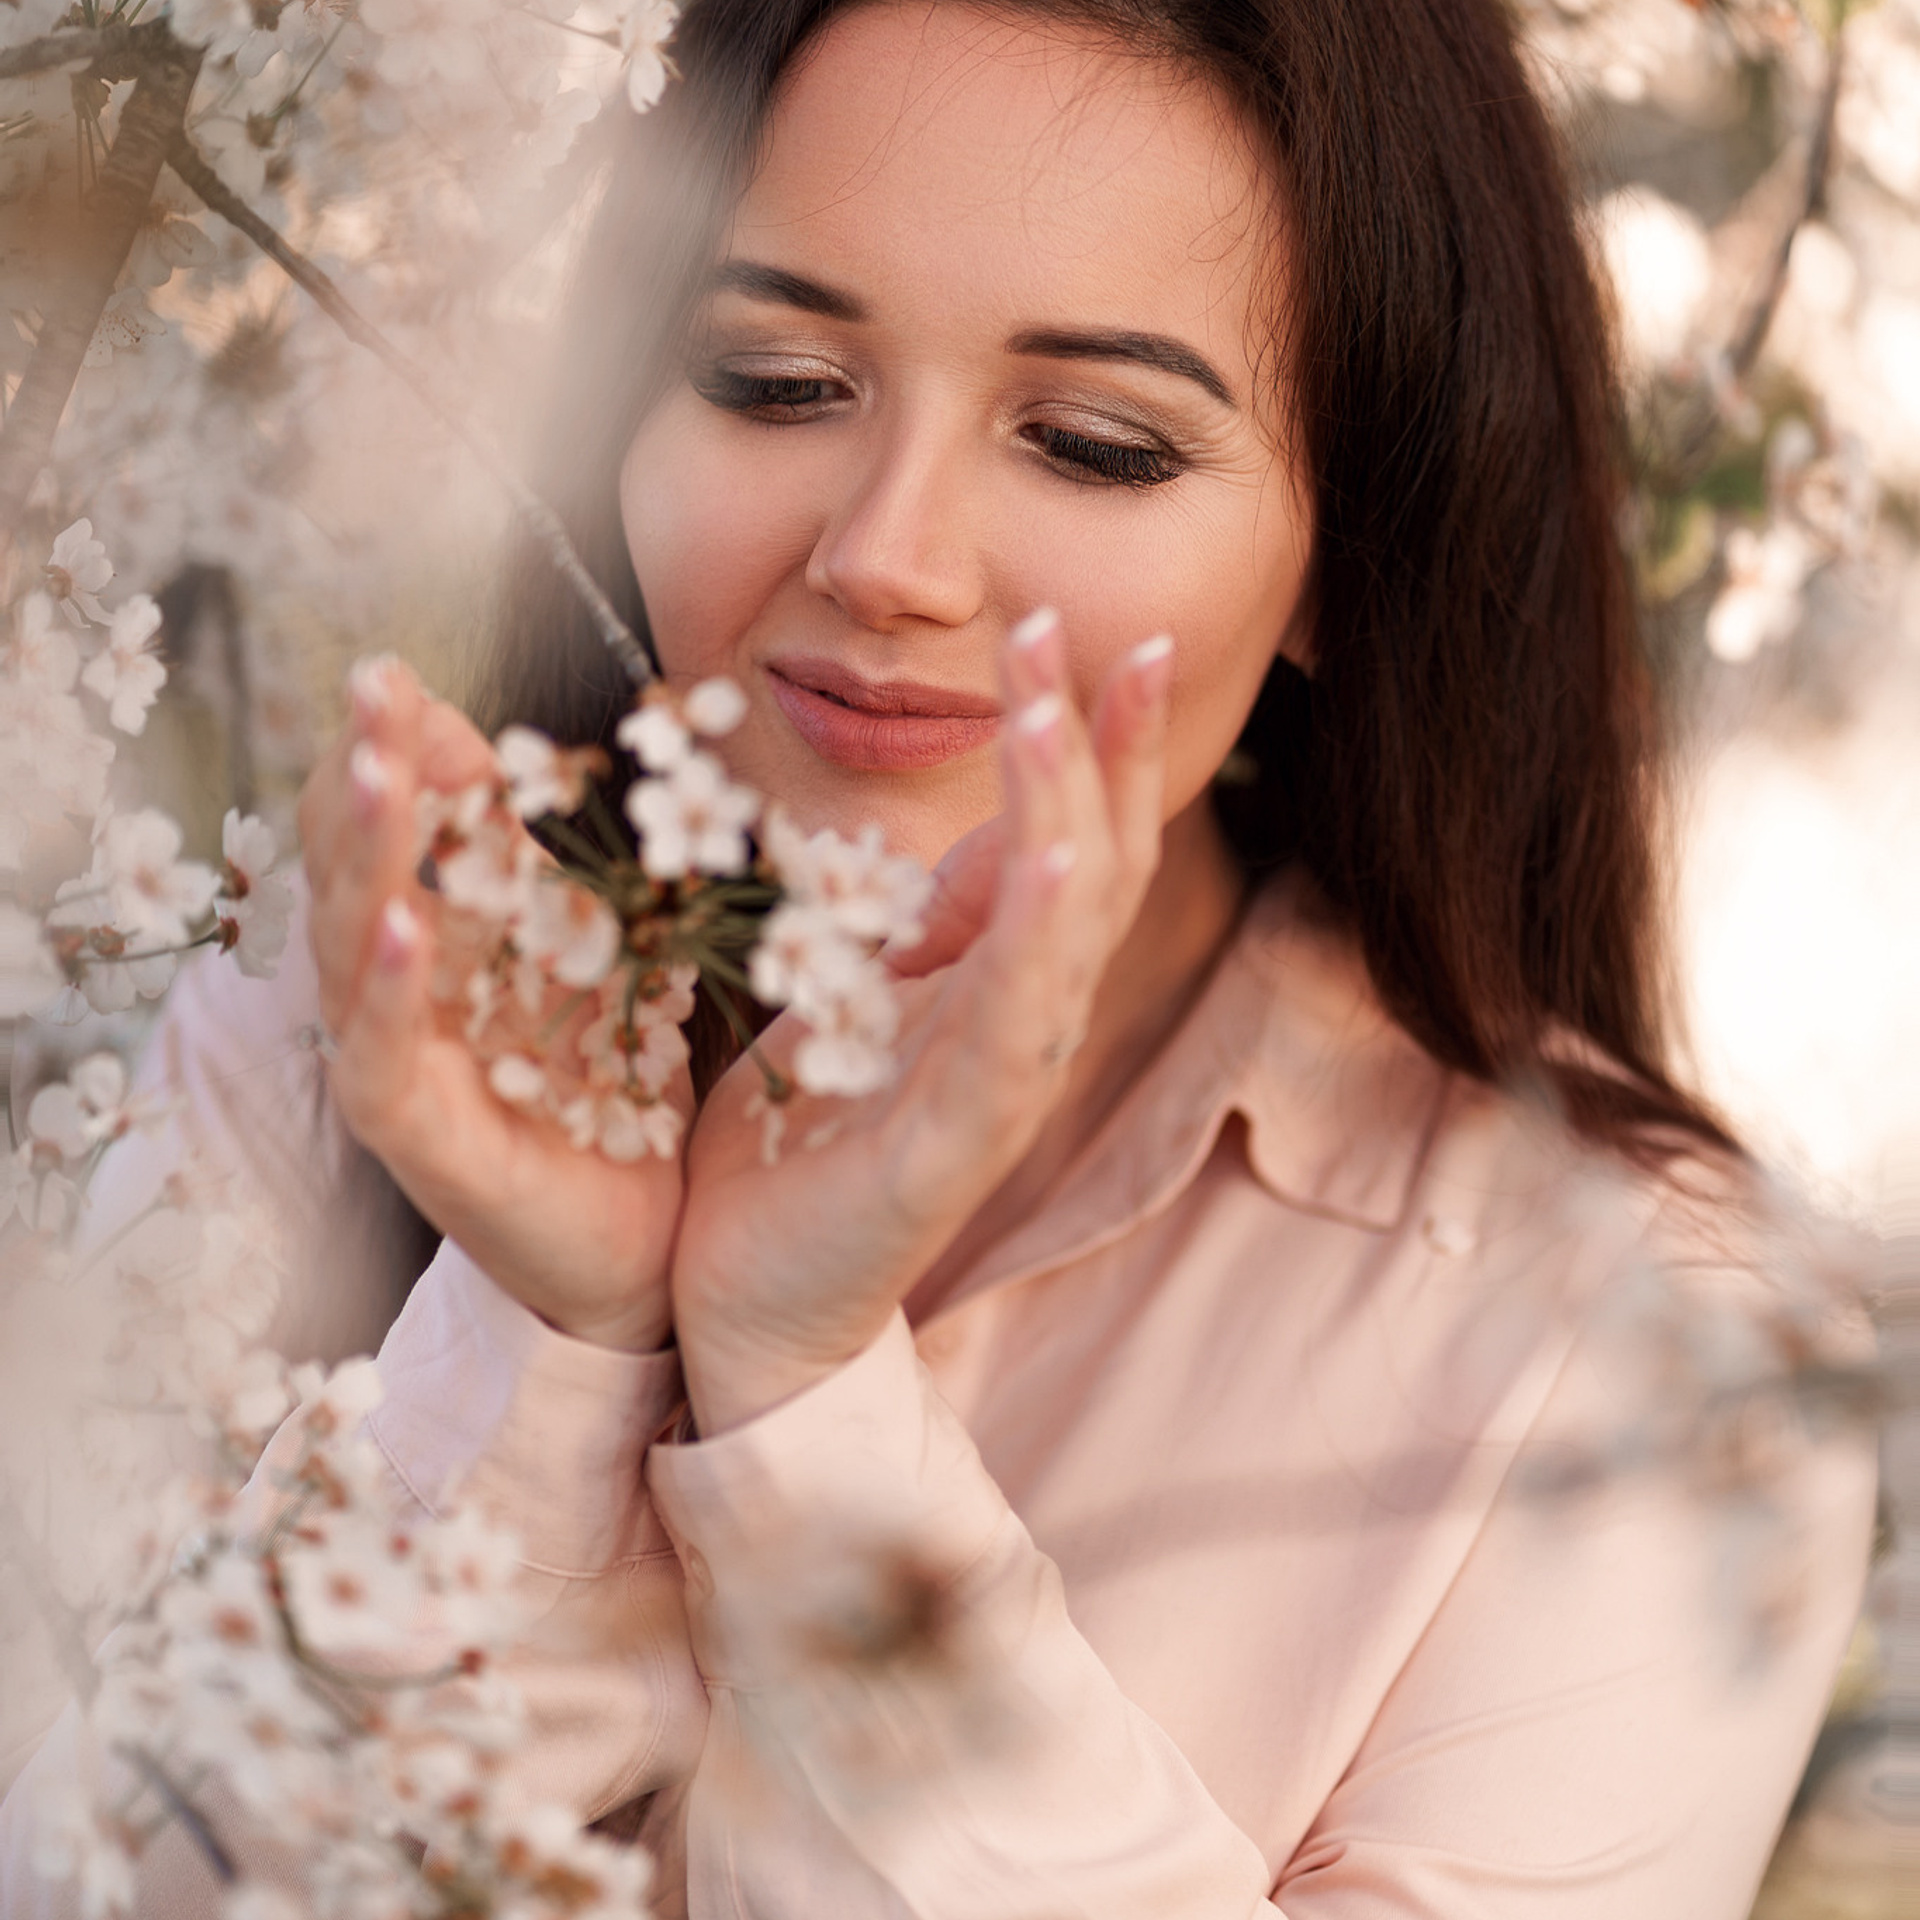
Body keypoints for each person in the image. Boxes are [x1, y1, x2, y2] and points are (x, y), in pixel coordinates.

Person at [0, 0, 1880, 1914]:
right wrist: (536, 1343)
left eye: (1092, 441)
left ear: (1347, 553)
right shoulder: (326, 1030)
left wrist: (807, 1410)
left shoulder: (1658, 1351)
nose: (890, 555)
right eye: (772, 383)